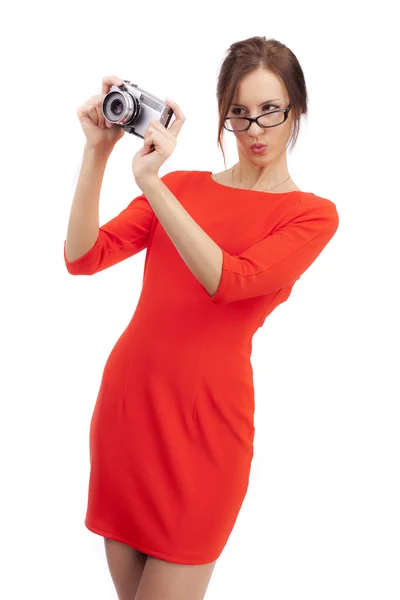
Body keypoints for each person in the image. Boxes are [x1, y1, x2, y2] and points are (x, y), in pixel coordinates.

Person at [64, 36, 339, 600]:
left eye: (270, 110)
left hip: (206, 431)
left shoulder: (311, 215)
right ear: (223, 118)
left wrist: (152, 186)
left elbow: (230, 280)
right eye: (239, 113)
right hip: (129, 411)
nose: (255, 128)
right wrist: (98, 153)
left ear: (297, 111)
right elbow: (82, 256)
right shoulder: (183, 186)